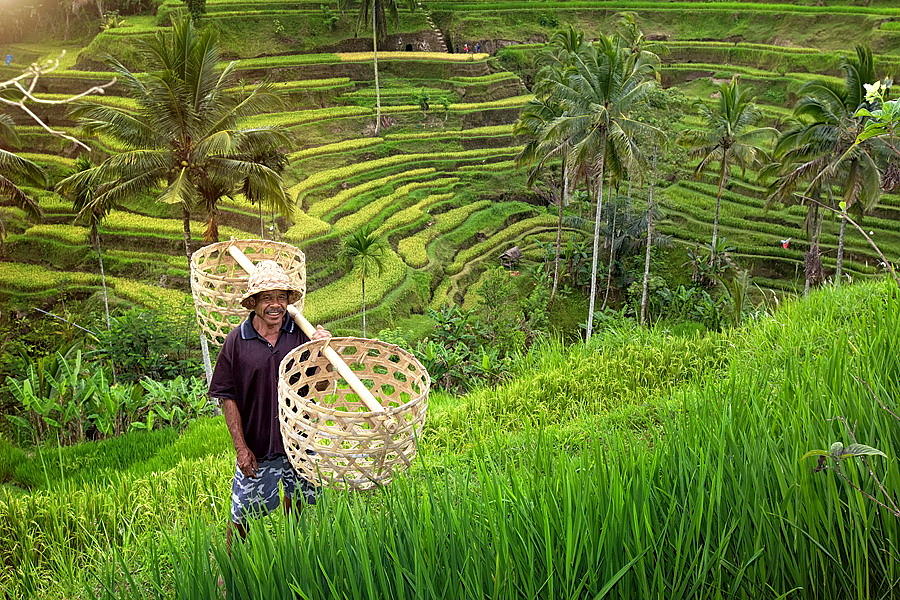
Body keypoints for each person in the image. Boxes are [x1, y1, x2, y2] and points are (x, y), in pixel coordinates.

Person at [209, 260, 331, 546]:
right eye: (267, 298)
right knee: (241, 515)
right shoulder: (236, 341)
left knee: (299, 502)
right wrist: (241, 448)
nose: (275, 305)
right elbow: (228, 397)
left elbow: (321, 386)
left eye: (281, 297)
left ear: (289, 301)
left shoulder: (302, 336)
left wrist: (323, 353)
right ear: (253, 302)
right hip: (258, 448)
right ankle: (228, 572)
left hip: (299, 444)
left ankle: (293, 551)